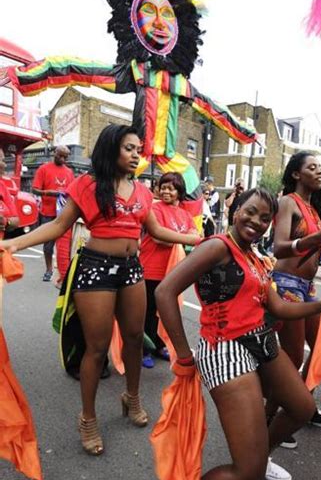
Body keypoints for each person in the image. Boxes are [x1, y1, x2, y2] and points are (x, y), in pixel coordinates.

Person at [140, 187, 321, 480]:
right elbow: (166, 292)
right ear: (235, 211)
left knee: (301, 407)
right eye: (249, 213)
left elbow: (278, 307)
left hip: (262, 340)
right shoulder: (216, 246)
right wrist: (185, 357)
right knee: (246, 476)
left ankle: (258, 453)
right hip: (225, 350)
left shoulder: (256, 259)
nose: (256, 222)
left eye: (264, 218)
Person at [0, 125, 199, 455]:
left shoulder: (142, 191)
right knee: (97, 347)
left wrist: (197, 239)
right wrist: (13, 244)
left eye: (138, 149)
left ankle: (131, 398)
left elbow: (156, 229)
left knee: (135, 338)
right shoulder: (88, 184)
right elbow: (58, 225)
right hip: (95, 269)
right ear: (111, 149)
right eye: (129, 149)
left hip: (131, 269)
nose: (137, 155)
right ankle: (88, 418)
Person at [272, 151, 321, 441]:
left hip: (308, 288)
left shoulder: (314, 212)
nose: (319, 172)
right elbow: (279, 247)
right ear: (297, 174)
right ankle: (275, 419)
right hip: (287, 284)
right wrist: (315, 238)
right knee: (293, 357)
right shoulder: (288, 202)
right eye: (312, 168)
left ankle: (301, 405)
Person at [140, 173, 199, 368]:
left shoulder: (186, 215)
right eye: (163, 187)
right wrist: (185, 237)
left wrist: (185, 237)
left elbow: (195, 235)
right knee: (148, 312)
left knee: (165, 311)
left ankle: (159, 345)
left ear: (179, 192)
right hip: (150, 268)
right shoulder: (154, 209)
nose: (166, 191)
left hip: (172, 272)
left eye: (171, 188)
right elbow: (159, 238)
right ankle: (144, 349)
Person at [32, 145, 74, 281]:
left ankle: (64, 271)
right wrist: (48, 192)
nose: (62, 159)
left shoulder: (69, 172)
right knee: (48, 244)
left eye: (65, 157)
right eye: (60, 156)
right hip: (48, 212)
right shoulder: (44, 168)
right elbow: (35, 189)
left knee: (65, 245)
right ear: (54, 153)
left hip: (65, 212)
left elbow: (72, 191)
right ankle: (49, 269)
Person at [0, 147, 19, 236]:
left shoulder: (2, 186)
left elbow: (16, 220)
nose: (5, 165)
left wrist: (6, 221)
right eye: (3, 161)